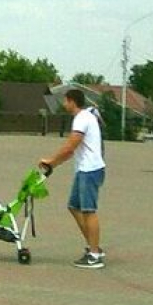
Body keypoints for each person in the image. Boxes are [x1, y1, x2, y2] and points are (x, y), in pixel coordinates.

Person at [40, 89, 106, 269]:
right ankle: (94, 246)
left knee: (88, 210)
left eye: (65, 101)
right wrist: (54, 163)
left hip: (89, 170)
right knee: (74, 206)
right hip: (84, 170)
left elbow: (70, 147)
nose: (64, 104)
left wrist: (51, 162)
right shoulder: (84, 118)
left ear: (72, 101)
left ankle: (94, 255)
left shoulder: (82, 119)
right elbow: (71, 151)